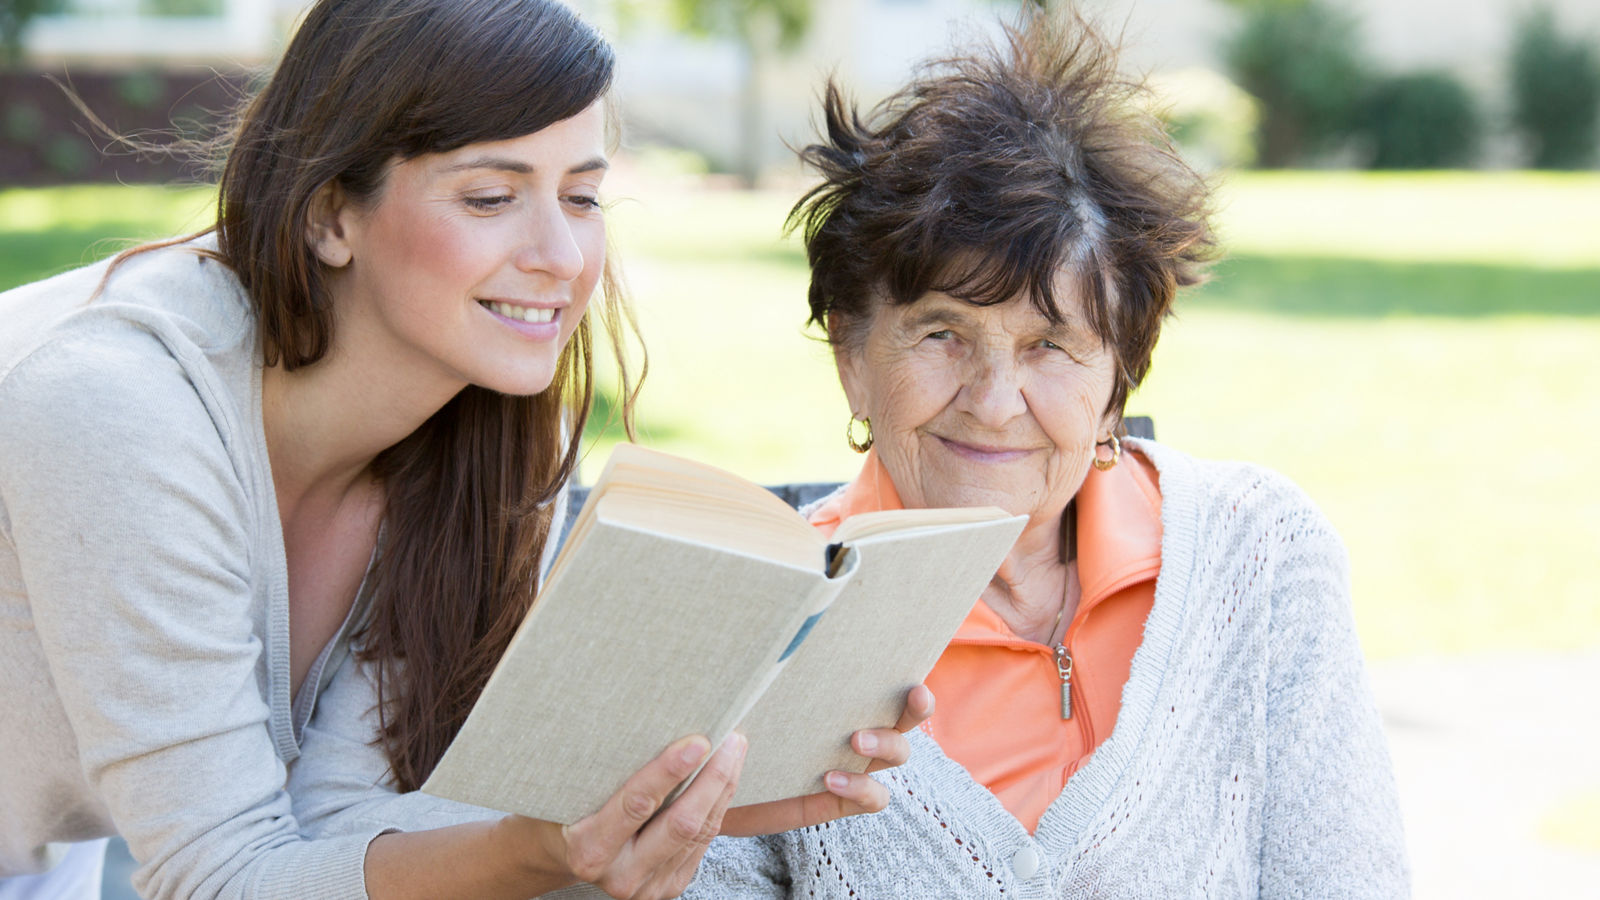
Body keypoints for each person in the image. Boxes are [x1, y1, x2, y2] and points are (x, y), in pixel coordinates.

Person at [0, 2, 924, 898]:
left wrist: (687, 785)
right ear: (330, 216)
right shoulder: (116, 408)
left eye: (583, 196)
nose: (562, 256)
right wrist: (543, 854)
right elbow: (220, 878)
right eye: (491, 196)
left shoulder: (492, 436)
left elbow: (334, 832)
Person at [688, 9, 1409, 898]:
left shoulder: (1258, 559)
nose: (994, 405)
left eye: (1051, 346)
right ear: (851, 358)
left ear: (1120, 373)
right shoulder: (753, 619)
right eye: (942, 333)